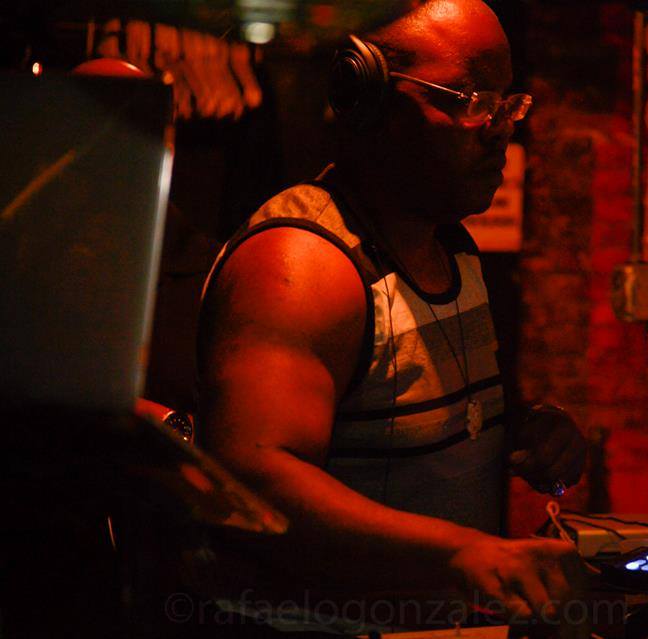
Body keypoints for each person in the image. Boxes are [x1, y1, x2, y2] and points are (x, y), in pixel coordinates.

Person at [197, 0, 588, 631]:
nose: (499, 130)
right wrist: (462, 553)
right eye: (471, 100)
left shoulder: (450, 248)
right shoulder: (304, 265)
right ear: (367, 94)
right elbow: (253, 478)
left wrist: (520, 430)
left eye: (506, 104)